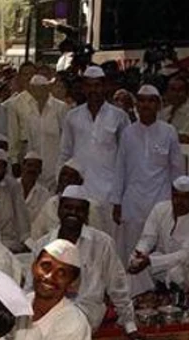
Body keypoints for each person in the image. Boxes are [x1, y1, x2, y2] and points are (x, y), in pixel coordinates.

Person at [29, 185, 138, 338]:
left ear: (86, 213)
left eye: (79, 209)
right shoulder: (42, 245)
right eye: (68, 207)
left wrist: (130, 325)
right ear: (59, 210)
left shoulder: (102, 243)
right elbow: (30, 288)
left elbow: (117, 286)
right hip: (49, 315)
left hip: (86, 317)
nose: (73, 213)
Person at [111, 84, 185, 266]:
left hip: (161, 201)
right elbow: (120, 168)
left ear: (158, 105)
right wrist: (117, 202)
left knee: (158, 251)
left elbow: (177, 169)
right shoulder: (128, 133)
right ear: (136, 105)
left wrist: (178, 202)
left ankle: (156, 293)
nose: (146, 105)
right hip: (133, 202)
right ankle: (133, 292)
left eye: (151, 101)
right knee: (132, 250)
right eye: (142, 101)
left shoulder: (169, 132)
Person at [59, 65, 130, 235]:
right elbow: (65, 152)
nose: (93, 90)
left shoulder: (119, 116)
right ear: (83, 88)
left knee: (108, 241)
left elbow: (126, 158)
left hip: (109, 193)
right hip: (80, 192)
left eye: (97, 85)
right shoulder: (72, 116)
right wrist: (62, 185)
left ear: (104, 87)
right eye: (89, 85)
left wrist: (120, 195)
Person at [127, 176, 189, 294]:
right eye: (176, 196)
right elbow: (148, 238)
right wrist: (139, 254)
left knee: (175, 273)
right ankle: (134, 304)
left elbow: (186, 256)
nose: (178, 201)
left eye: (184, 197)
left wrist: (152, 261)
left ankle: (177, 305)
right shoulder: (160, 209)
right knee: (136, 266)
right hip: (162, 261)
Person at [9, 74, 69, 191]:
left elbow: (66, 139)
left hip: (54, 167)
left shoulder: (60, 108)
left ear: (47, 88)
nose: (38, 92)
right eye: (34, 88)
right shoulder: (29, 111)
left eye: (41, 88)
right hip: (34, 170)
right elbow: (25, 140)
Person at [30, 158, 110, 241]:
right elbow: (37, 233)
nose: (66, 179)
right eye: (63, 175)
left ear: (80, 181)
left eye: (71, 176)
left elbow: (98, 237)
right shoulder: (51, 203)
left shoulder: (91, 206)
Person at [0, 147, 31, 252]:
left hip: (8, 246)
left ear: (4, 169)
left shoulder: (13, 187)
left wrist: (26, 244)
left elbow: (22, 220)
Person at [160, 74, 189, 139]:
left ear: (187, 92)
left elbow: (184, 136)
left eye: (180, 90)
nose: (176, 93)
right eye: (173, 89)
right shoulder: (164, 112)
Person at [18, 151, 52, 224]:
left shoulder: (44, 194)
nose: (32, 169)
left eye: (36, 167)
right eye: (29, 165)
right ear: (22, 167)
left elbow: (45, 220)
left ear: (40, 171)